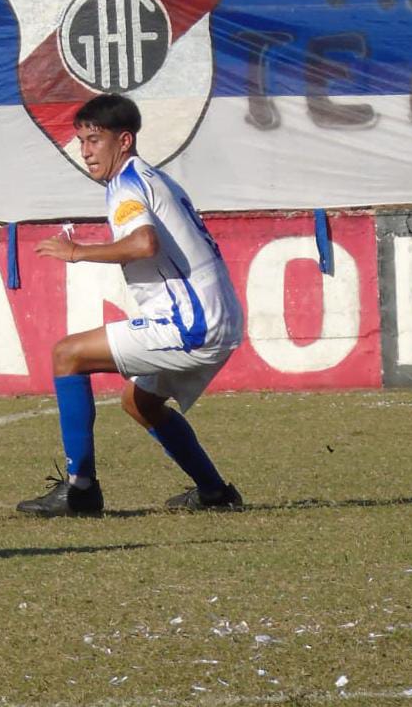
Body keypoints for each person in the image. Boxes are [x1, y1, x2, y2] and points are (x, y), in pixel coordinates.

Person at [17, 93, 243, 517]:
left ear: (124, 141)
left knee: (67, 355)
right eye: (81, 140)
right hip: (218, 315)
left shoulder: (126, 185)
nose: (86, 151)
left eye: (95, 140)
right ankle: (214, 492)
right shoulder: (152, 177)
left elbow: (144, 243)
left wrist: (77, 252)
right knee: (139, 402)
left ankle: (80, 490)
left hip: (190, 322)